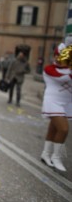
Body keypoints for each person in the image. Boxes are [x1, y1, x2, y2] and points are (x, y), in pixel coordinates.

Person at [40, 43, 72, 172]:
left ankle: (46, 154)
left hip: (67, 103)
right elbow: (62, 77)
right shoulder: (49, 69)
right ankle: (56, 157)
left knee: (53, 129)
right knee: (63, 129)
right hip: (52, 102)